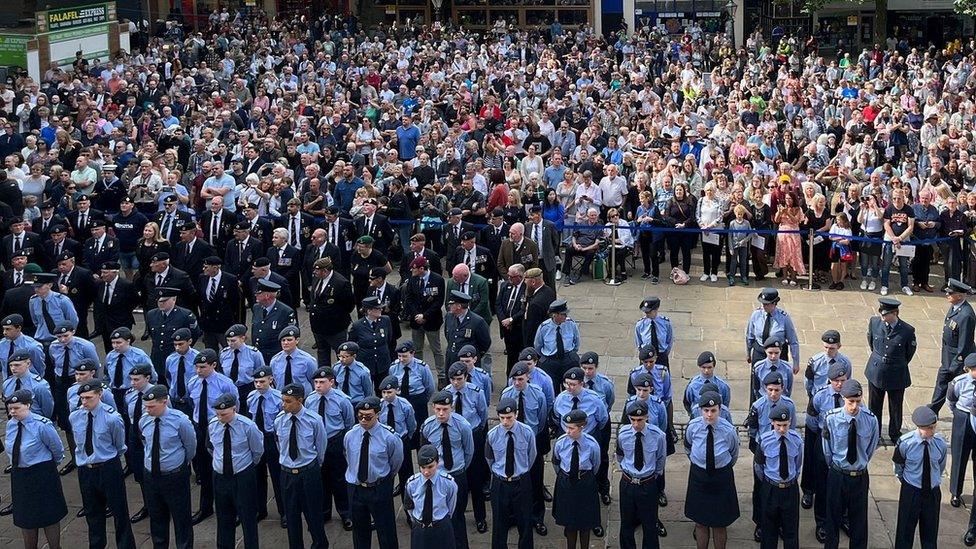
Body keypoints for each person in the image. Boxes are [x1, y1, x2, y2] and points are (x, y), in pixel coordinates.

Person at [69, 378, 136, 548]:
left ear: (99, 395)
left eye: (89, 397)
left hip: (108, 467)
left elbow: (119, 445)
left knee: (119, 512)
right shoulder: (75, 416)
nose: (84, 402)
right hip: (86, 469)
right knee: (92, 514)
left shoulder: (112, 418)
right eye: (82, 398)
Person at [5, 389, 68, 549]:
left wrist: (50, 466)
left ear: (28, 405)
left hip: (42, 473)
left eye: (17, 408)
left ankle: (55, 546)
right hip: (20, 475)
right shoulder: (11, 425)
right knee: (25, 517)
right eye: (10, 408)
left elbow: (57, 449)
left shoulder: (41, 425)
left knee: (49, 515)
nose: (12, 412)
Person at [822, 379, 879, 549]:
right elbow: (827, 450)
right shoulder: (831, 419)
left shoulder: (870, 420)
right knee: (832, 519)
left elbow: (870, 449)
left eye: (857, 402)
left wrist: (859, 464)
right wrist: (837, 467)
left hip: (859, 475)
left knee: (859, 521)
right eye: (850, 402)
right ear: (843, 399)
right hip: (838, 474)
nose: (854, 406)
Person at [138, 383, 197, 549]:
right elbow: (145, 442)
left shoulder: (180, 421)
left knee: (181, 518)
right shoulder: (144, 420)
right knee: (157, 517)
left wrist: (180, 463)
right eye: (146, 407)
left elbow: (190, 446)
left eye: (151, 406)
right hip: (151, 475)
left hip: (174, 476)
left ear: (164, 402)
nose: (148, 410)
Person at [343, 395, 404, 549]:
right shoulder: (350, 435)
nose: (363, 420)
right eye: (360, 417)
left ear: (377, 414)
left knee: (386, 531)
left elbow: (395, 462)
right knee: (359, 531)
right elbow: (349, 456)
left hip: (379, 487)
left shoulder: (389, 438)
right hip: (356, 488)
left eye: (368, 417)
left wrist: (384, 477)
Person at [274, 382, 329, 549]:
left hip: (308, 472)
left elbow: (321, 447)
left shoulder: (314, 420)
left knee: (314, 514)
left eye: (288, 401)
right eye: (283, 400)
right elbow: (280, 445)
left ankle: (319, 544)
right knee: (291, 516)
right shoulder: (279, 420)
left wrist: (312, 466)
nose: (284, 404)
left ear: (300, 400)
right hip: (287, 474)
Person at [684, 391, 739, 549]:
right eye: (706, 410)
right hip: (699, 477)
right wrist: (698, 462)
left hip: (721, 478)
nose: (709, 415)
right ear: (700, 410)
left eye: (713, 410)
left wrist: (721, 467)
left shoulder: (728, 430)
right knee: (700, 522)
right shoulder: (693, 427)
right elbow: (688, 447)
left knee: (720, 524)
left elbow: (733, 453)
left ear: (719, 410)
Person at [420, 390, 474, 549]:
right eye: (438, 409)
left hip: (457, 475)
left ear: (452, 408)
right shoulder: (428, 426)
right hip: (437, 477)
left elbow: (468, 451)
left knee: (457, 517)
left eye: (445, 409)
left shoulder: (463, 426)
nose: (441, 413)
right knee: (437, 516)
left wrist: (460, 469)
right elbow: (424, 453)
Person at [500, 362, 551, 532]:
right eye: (514, 379)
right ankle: (514, 516)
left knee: (535, 480)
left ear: (528, 377)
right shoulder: (507, 395)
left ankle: (537, 517)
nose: (517, 383)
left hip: (531, 441)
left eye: (520, 379)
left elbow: (542, 419)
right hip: (512, 442)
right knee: (514, 479)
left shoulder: (538, 394)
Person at [209, 392, 263, 549]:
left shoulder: (248, 426)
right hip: (220, 476)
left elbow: (257, 451)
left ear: (234, 409)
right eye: (218, 414)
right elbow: (211, 447)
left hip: (242, 476)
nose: (220, 418)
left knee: (248, 517)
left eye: (224, 414)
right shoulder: (213, 425)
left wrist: (244, 466)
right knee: (223, 517)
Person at [305, 366, 355, 529]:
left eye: (322, 382)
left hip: (335, 440)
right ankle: (324, 512)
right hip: (317, 442)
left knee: (339, 479)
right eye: (316, 382)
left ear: (331, 382)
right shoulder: (310, 399)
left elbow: (349, 423)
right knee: (321, 479)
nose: (318, 385)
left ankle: (346, 513)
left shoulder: (342, 400)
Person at [485, 397, 536, 549]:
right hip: (500, 483)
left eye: (509, 418)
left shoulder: (527, 432)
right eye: (502, 418)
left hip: (521, 481)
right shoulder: (493, 435)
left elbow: (531, 455)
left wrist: (521, 471)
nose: (506, 422)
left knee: (525, 522)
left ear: (517, 414)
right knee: (499, 523)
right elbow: (489, 458)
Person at [616, 399, 667, 549]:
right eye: (632, 420)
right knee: (626, 523)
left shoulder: (658, 436)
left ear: (647, 417)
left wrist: (651, 477)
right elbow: (620, 456)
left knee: (650, 525)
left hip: (648, 483)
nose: (636, 424)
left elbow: (660, 460)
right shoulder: (623, 434)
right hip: (627, 483)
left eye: (640, 420)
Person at [894, 406, 946, 549]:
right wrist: (907, 481)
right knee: (905, 531)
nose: (932, 431)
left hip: (932, 492)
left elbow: (940, 466)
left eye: (934, 427)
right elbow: (899, 466)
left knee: (930, 533)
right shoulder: (906, 443)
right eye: (929, 428)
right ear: (920, 427)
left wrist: (933, 481)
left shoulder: (940, 444)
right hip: (912, 491)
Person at [866, 297, 917, 442]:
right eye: (881, 313)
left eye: (885, 314)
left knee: (895, 406)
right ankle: (874, 432)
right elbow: (871, 343)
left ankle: (895, 433)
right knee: (874, 405)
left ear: (895, 313)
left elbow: (909, 352)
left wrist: (896, 363)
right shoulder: (874, 323)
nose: (882, 317)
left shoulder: (907, 330)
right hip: (876, 371)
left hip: (896, 372)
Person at [754, 402, 803, 549]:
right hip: (771, 488)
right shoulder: (764, 440)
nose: (782, 429)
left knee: (791, 531)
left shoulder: (797, 440)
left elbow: (798, 463)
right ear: (772, 423)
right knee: (769, 531)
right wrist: (769, 482)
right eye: (778, 425)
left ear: (789, 423)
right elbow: (759, 466)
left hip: (790, 489)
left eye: (785, 425)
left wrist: (791, 479)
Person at [551, 408, 601, 549]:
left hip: (585, 482)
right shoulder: (561, 442)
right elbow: (556, 462)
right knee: (570, 522)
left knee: (585, 523)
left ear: (582, 427)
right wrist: (566, 476)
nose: (568, 431)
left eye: (572, 428)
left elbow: (596, 465)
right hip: (566, 482)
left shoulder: (592, 444)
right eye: (567, 427)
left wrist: (584, 477)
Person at [245, 366, 286, 525]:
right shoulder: (251, 397)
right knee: (257, 475)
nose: (258, 385)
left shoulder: (278, 398)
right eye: (256, 382)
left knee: (277, 476)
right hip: (257, 437)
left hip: (272, 438)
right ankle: (260, 510)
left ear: (270, 379)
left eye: (262, 381)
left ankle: (284, 512)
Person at [744, 287, 800, 400]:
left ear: (774, 303)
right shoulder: (756, 315)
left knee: (778, 383)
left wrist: (796, 362)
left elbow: (793, 341)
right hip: (760, 352)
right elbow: (749, 335)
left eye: (767, 304)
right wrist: (748, 352)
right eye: (763, 304)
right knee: (757, 384)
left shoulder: (784, 318)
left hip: (778, 353)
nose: (764, 306)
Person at [932, 278, 976, 413]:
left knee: (956, 386)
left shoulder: (966, 315)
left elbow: (965, 344)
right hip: (948, 356)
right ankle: (933, 409)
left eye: (950, 293)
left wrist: (955, 365)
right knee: (941, 384)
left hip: (957, 360)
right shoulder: (955, 307)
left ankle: (959, 410)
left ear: (959, 296)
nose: (947, 295)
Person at [579, 351, 615, 510]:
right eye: (585, 368)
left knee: (602, 456)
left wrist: (600, 425)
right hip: (582, 426)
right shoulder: (578, 383)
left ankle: (603, 488)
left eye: (591, 368)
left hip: (600, 425)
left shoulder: (605, 384)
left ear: (596, 367)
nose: (587, 372)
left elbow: (609, 401)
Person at [404, 444, 458, 549]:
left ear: (437, 463)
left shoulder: (448, 483)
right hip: (420, 529)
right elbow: (409, 506)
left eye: (430, 467)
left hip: (441, 527)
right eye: (422, 467)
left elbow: (451, 504)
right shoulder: (412, 484)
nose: (426, 471)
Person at [403, 256, 446, 378]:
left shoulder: (437, 280)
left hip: (432, 320)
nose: (412, 271)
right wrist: (416, 314)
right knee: (417, 349)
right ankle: (419, 373)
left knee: (436, 350)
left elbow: (438, 302)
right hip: (416, 321)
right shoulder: (413, 280)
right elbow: (409, 299)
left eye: (414, 268)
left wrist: (425, 315)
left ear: (422, 268)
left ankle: (441, 375)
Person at [146, 286, 202, 382]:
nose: (161, 303)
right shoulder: (151, 314)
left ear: (174, 299)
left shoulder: (185, 315)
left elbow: (194, 334)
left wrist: (182, 349)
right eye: (159, 301)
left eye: (164, 301)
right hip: (158, 358)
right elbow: (153, 334)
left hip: (176, 357)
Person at [307, 257, 355, 364]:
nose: (314, 272)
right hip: (318, 327)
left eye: (317, 270)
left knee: (341, 355)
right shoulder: (317, 278)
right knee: (322, 354)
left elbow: (349, 305)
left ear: (325, 271)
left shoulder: (341, 283)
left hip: (335, 328)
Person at [377, 375, 418, 494]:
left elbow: (411, 425)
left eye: (389, 392)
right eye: (383, 392)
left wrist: (406, 438)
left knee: (406, 471)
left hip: (401, 440)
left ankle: (408, 495)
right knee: (387, 470)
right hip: (385, 441)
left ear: (397, 390)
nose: (386, 395)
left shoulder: (405, 406)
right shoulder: (380, 405)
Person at [947, 353, 976, 508]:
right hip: (963, 417)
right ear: (968, 369)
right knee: (959, 456)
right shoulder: (959, 382)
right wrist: (958, 415)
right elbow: (951, 400)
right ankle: (956, 492)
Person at [347, 296, 395, 390]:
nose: (381, 309)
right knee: (365, 390)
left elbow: (389, 339)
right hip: (366, 364)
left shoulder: (386, 320)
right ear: (369, 311)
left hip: (383, 363)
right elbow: (352, 345)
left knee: (383, 390)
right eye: (377, 308)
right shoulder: (358, 326)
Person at [219, 324, 263, 415]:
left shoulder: (254, 354)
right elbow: (221, 373)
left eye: (233, 341)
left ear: (242, 338)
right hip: (230, 389)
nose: (230, 343)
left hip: (247, 388)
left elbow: (261, 372)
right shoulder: (224, 354)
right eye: (228, 341)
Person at [250, 278, 297, 364]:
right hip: (258, 355)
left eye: (258, 293)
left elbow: (291, 335)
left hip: (275, 357)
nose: (255, 295)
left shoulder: (286, 312)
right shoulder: (256, 307)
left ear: (267, 296)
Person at [534, 299, 580, 381]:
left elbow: (576, 342)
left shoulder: (571, 324)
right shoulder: (544, 327)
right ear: (554, 315)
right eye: (563, 314)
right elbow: (538, 345)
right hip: (551, 360)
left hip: (568, 359)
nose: (565, 316)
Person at [443, 290, 491, 368]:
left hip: (468, 363)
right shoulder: (449, 317)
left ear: (459, 306)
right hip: (451, 360)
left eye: (452, 304)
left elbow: (485, 344)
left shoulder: (477, 321)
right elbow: (448, 336)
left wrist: (472, 355)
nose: (449, 306)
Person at [634, 297, 673, 367]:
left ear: (656, 310)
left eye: (649, 312)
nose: (646, 314)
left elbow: (669, 340)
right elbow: (638, 342)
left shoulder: (665, 323)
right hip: (646, 356)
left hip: (661, 355)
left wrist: (665, 353)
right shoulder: (640, 324)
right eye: (645, 312)